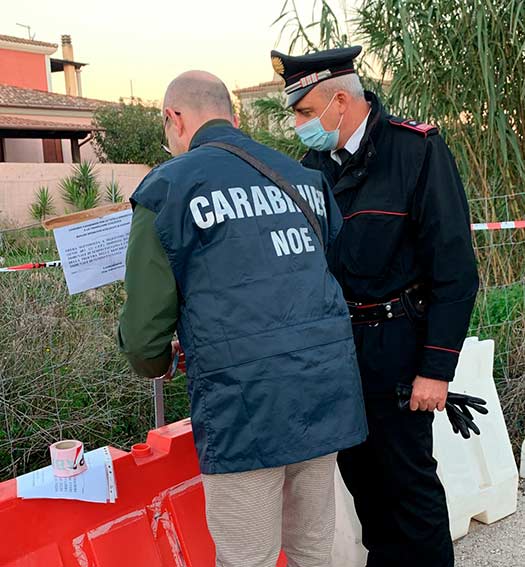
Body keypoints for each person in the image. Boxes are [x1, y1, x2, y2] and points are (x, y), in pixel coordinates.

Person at [118, 70, 367, 567]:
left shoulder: (167, 189)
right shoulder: (304, 178)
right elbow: (315, 273)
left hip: (246, 406)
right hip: (324, 391)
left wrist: (157, 363)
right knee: (313, 550)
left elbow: (145, 331)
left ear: (174, 118)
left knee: (245, 558)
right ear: (232, 117)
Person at [269, 47, 479, 567]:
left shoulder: (416, 152)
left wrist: (436, 369)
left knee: (410, 490)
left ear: (339, 101)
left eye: (302, 111)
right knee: (366, 487)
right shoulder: (310, 170)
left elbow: (455, 271)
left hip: (400, 346)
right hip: (340, 354)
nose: (298, 124)